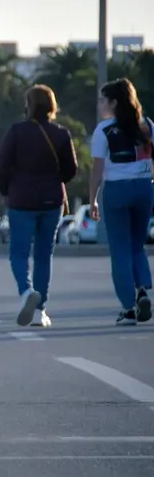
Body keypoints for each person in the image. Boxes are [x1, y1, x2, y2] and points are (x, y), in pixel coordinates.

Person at [0, 84, 78, 328]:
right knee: (43, 255)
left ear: (28, 105)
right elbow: (71, 170)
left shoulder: (17, 132)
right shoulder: (61, 134)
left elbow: (0, 164)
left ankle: (26, 291)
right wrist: (52, 179)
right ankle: (40, 311)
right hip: (52, 201)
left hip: (21, 201)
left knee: (19, 253)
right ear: (52, 106)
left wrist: (7, 188)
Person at [89, 78, 153, 326]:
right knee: (137, 246)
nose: (100, 105)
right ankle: (142, 291)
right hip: (144, 189)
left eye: (102, 100)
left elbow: (97, 169)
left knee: (119, 249)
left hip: (117, 190)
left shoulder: (104, 130)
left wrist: (92, 199)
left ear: (114, 103)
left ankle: (128, 308)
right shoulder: (147, 125)